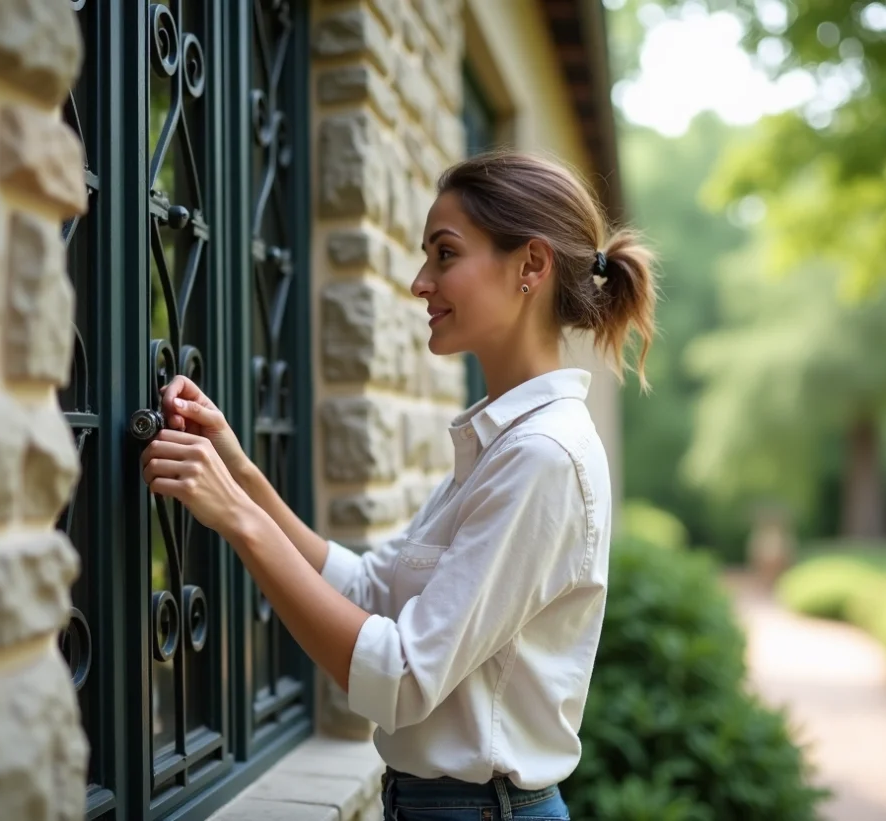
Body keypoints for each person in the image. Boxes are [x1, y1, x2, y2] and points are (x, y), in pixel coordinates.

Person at [141, 151, 657, 821]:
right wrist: (242, 473)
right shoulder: (503, 444)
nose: (420, 282)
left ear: (531, 264)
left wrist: (239, 517)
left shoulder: (542, 456)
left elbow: (402, 678)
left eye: (445, 254)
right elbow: (366, 588)